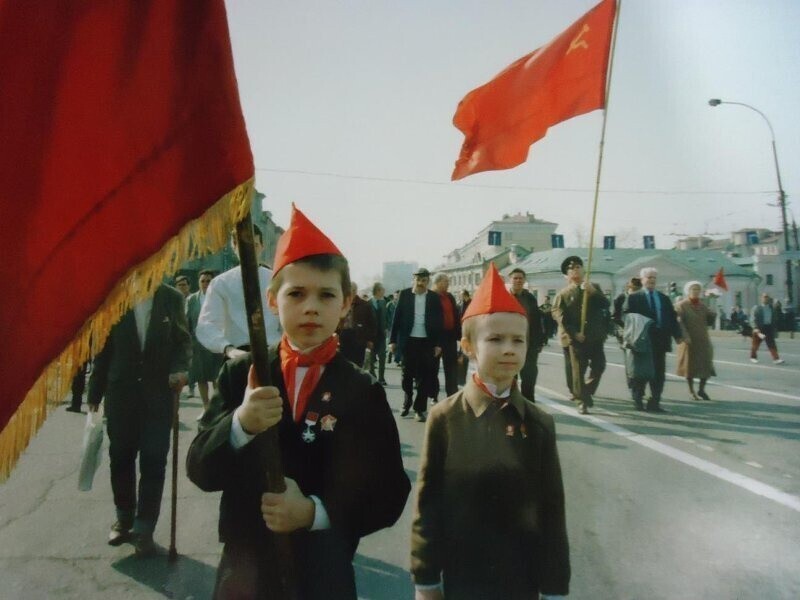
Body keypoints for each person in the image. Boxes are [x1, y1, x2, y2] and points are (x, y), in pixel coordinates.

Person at [186, 206, 410, 599]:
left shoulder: (362, 390)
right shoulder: (242, 375)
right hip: (244, 572)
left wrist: (312, 513)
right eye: (296, 293)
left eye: (326, 295)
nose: (311, 306)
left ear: (345, 303)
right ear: (273, 301)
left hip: (322, 571)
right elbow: (200, 469)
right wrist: (241, 425)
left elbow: (390, 493)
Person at [411, 263, 570, 600]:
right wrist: (426, 578)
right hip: (463, 577)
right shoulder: (445, 418)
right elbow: (429, 505)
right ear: (468, 346)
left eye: (518, 340)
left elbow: (552, 512)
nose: (509, 349)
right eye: (495, 339)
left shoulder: (540, 423)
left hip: (521, 579)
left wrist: (554, 588)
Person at [87, 284, 191, 556]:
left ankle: (144, 528)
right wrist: (94, 392)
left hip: (158, 396)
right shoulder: (114, 298)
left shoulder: (172, 298)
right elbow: (103, 349)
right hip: (121, 393)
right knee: (120, 457)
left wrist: (180, 369)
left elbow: (182, 341)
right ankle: (123, 519)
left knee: (154, 460)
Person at [196, 224, 281, 362]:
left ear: (262, 246)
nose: (250, 251)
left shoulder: (277, 280)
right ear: (234, 247)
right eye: (244, 246)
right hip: (237, 355)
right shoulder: (220, 283)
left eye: (255, 245)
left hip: (274, 353)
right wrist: (227, 349)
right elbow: (207, 324)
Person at [551, 256, 609, 415]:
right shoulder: (563, 294)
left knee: (599, 365)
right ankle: (581, 400)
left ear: (584, 270)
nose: (576, 271)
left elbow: (605, 305)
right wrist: (574, 333)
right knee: (577, 371)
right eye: (572, 269)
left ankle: (586, 391)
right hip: (576, 339)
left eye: (578, 268)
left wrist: (593, 292)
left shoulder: (594, 287)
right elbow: (559, 316)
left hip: (595, 337)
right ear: (567, 275)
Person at [623, 267, 683, 413]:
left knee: (658, 373)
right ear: (642, 280)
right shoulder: (634, 297)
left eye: (654, 278)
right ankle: (638, 399)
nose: (651, 280)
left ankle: (654, 401)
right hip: (642, 340)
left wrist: (678, 335)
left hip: (660, 341)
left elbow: (671, 318)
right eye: (648, 277)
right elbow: (625, 317)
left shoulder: (663, 298)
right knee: (641, 372)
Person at [389, 268, 443, 422]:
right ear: (414, 280)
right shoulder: (405, 295)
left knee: (424, 376)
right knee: (407, 374)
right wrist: (392, 341)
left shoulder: (433, 298)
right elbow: (396, 319)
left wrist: (438, 344)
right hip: (409, 341)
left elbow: (439, 322)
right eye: (418, 280)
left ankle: (420, 409)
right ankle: (407, 402)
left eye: (424, 281)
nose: (420, 283)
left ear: (428, 282)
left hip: (427, 342)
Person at [186, 269, 223, 419]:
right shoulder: (192, 300)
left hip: (217, 344)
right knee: (201, 377)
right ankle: (206, 407)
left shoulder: (219, 298)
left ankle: (218, 408)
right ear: (198, 283)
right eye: (203, 281)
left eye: (208, 281)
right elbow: (187, 322)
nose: (206, 284)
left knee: (217, 378)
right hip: (198, 345)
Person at [507, 267, 545, 401]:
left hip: (528, 344)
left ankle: (528, 403)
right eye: (515, 278)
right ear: (509, 280)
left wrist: (540, 340)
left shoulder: (530, 298)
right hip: (508, 344)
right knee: (510, 376)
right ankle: (511, 404)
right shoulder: (504, 298)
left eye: (520, 278)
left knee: (529, 375)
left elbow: (536, 320)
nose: (518, 281)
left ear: (524, 280)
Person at [675, 281, 717, 400]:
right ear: (688, 291)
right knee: (689, 366)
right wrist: (685, 336)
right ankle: (691, 390)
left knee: (706, 365)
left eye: (698, 290)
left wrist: (713, 307)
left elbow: (709, 321)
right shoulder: (681, 305)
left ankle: (701, 390)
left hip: (703, 339)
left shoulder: (703, 306)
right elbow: (679, 322)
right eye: (693, 289)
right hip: (688, 340)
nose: (696, 292)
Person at [431, 273, 461, 400]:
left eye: (448, 281)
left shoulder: (450, 297)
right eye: (445, 281)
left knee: (451, 367)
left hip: (450, 337)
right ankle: (433, 395)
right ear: (437, 283)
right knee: (434, 368)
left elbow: (456, 316)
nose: (448, 284)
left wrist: (459, 335)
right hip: (436, 338)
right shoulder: (431, 297)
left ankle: (452, 395)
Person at [338, 282, 377, 368]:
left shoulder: (365, 305)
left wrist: (370, 340)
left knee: (357, 364)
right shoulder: (340, 303)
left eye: (351, 290)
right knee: (343, 364)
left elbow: (372, 323)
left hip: (358, 336)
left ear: (355, 291)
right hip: (343, 335)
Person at [750, 293, 785, 364]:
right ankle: (753, 357)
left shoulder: (771, 308)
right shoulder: (757, 308)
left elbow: (775, 317)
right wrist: (755, 328)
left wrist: (774, 329)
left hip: (768, 328)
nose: (766, 298)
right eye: (764, 297)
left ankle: (776, 359)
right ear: (761, 298)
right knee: (755, 344)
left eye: (767, 297)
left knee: (771, 344)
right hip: (759, 328)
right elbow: (752, 319)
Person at [368, 282, 389, 385]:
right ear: (377, 291)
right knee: (371, 358)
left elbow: (385, 318)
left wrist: (386, 328)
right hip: (371, 336)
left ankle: (381, 378)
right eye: (382, 290)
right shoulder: (368, 303)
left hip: (381, 336)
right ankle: (373, 376)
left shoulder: (383, 302)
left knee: (382, 357)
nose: (384, 292)